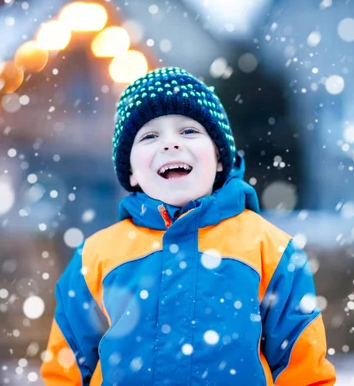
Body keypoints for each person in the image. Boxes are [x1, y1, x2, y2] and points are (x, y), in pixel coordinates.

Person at [40, 67, 336, 385]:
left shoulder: (271, 250)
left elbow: (303, 369)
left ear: (220, 158)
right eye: (150, 136)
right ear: (131, 173)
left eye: (188, 131)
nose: (170, 144)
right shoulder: (95, 257)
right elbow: (66, 370)